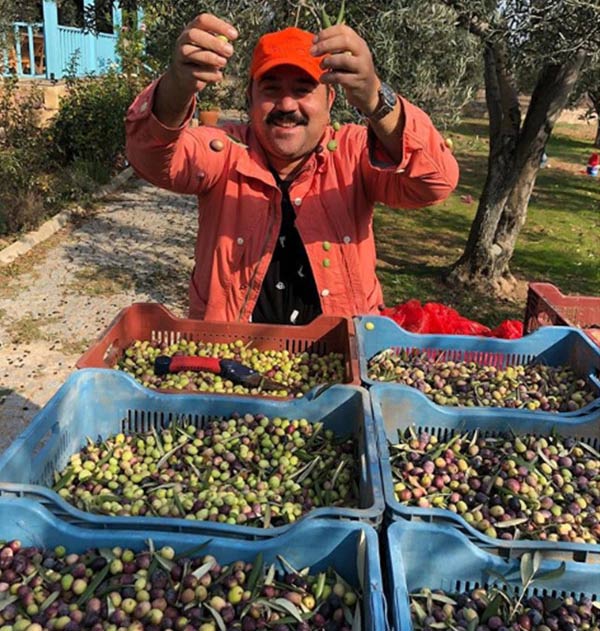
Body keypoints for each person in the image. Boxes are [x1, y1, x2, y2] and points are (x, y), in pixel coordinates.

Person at [125, 13, 459, 324]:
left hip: (341, 361)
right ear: (250, 98)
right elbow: (151, 159)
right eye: (272, 89)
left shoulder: (355, 153)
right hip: (228, 361)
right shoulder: (224, 150)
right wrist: (176, 87)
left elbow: (436, 182)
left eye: (303, 90)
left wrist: (376, 100)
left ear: (329, 100)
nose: (286, 105)